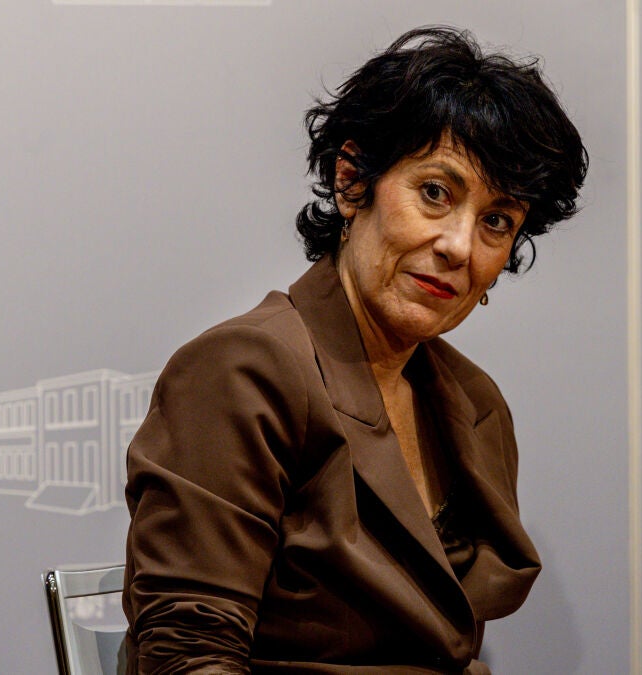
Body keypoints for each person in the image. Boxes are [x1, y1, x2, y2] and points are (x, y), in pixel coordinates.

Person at [122, 26, 587, 674]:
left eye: (496, 221)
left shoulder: (476, 405)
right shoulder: (243, 371)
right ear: (351, 182)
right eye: (436, 193)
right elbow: (189, 655)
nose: (459, 245)